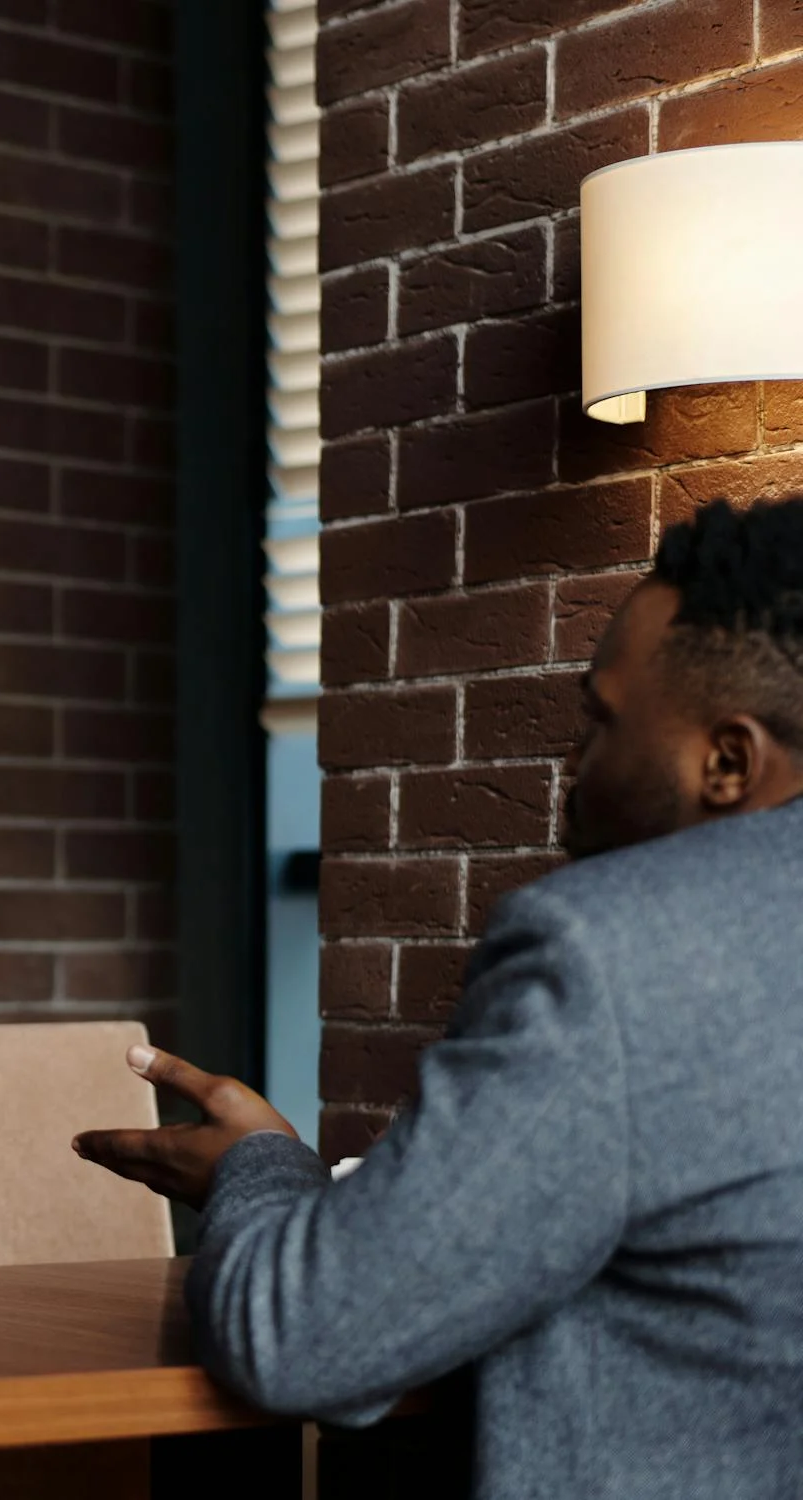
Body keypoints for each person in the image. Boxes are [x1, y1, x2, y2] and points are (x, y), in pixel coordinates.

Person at [75, 497, 803, 1500]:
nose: (571, 764)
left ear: (727, 762)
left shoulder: (608, 951)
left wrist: (258, 1169)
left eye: (598, 720)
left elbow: (303, 1334)